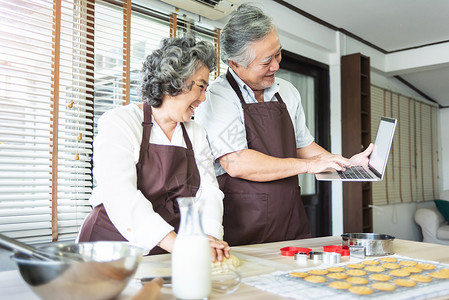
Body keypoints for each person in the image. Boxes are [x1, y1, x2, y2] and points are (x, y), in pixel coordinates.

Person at [195, 4, 373, 246]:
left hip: (289, 219)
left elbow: (304, 145)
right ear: (236, 64)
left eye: (278, 54)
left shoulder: (287, 91)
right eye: (266, 61)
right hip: (243, 224)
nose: (276, 66)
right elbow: (237, 163)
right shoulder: (218, 96)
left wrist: (347, 165)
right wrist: (309, 166)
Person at [78, 35, 230, 261]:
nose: (203, 98)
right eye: (200, 87)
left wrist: (209, 238)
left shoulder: (196, 133)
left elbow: (208, 192)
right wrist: (178, 244)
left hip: (165, 249)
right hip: (109, 248)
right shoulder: (120, 122)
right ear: (173, 81)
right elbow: (121, 195)